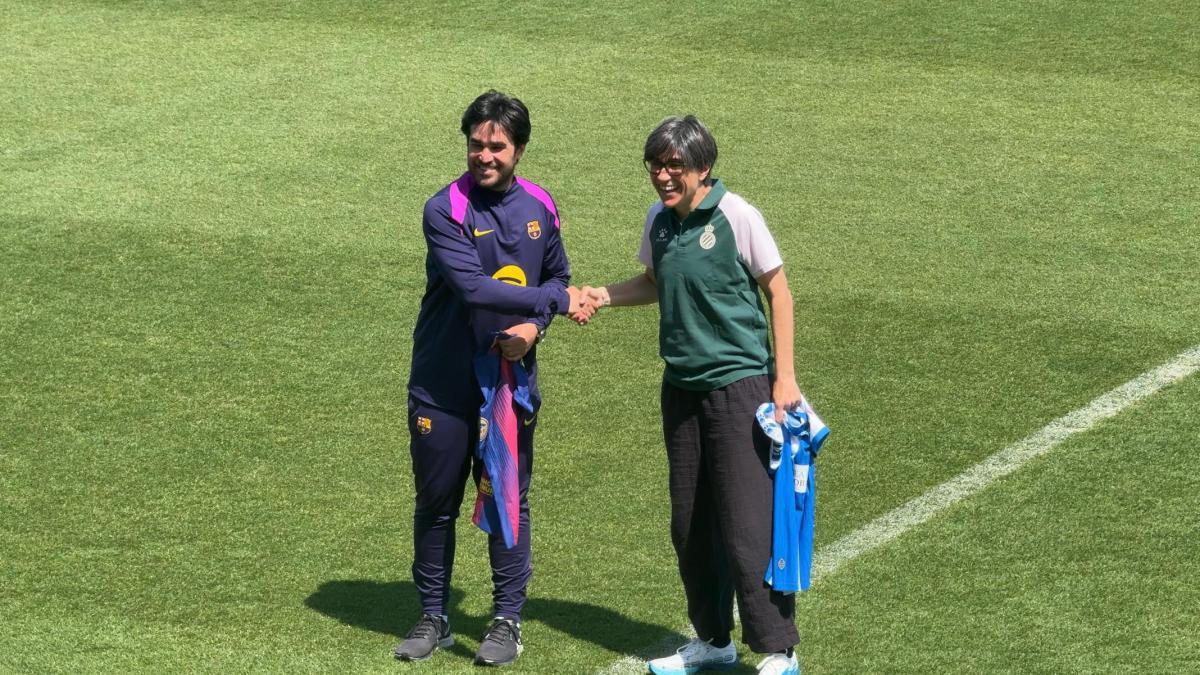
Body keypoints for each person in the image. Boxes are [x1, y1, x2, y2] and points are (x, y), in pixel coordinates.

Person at [577, 115, 804, 675]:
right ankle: (713, 643)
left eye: (674, 164)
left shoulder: (736, 215)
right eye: (655, 164)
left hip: (740, 387)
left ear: (704, 168)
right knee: (691, 524)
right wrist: (600, 296)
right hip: (680, 390)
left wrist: (785, 378)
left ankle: (778, 650)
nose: (662, 174)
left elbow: (779, 291)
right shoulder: (658, 220)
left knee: (747, 526)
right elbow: (653, 283)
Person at [396, 90, 594, 666]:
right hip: (443, 381)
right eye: (476, 144)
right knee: (437, 501)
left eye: (497, 146)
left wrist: (536, 328)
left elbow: (558, 272)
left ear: (519, 149)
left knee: (508, 499)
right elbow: (477, 290)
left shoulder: (541, 206)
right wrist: (555, 302)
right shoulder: (444, 209)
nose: (484, 155)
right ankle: (433, 616)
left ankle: (506, 622)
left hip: (506, 388)